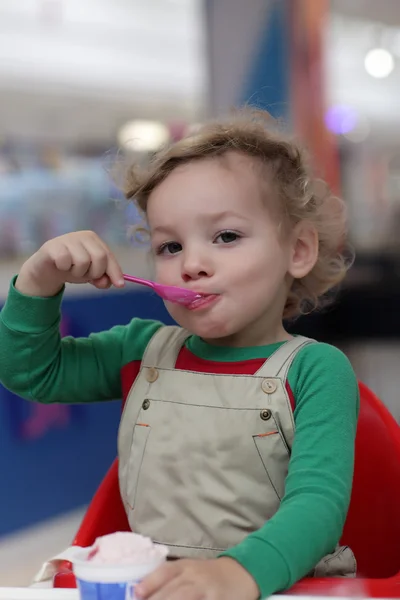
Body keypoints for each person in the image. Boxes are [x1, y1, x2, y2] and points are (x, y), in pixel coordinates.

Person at [0, 109, 359, 600]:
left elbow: (318, 505)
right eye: (170, 246)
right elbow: (32, 374)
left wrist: (239, 574)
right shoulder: (141, 349)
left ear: (297, 250)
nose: (191, 264)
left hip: (285, 589)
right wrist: (37, 284)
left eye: (226, 236)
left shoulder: (316, 370)